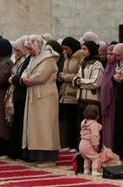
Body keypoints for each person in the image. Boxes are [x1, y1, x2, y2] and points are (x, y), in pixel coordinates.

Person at [21, 35, 61, 164]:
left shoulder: (48, 58)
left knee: (45, 126)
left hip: (45, 96)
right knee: (35, 127)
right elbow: (25, 70)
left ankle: (48, 156)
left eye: (30, 48)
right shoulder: (34, 57)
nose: (29, 51)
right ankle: (36, 155)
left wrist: (28, 79)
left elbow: (41, 76)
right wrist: (23, 78)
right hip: (34, 94)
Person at [73, 40, 104, 147]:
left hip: (92, 100)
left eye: (85, 49)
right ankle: (82, 148)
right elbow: (76, 78)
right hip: (81, 99)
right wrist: (77, 81)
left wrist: (80, 82)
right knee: (82, 127)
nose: (83, 51)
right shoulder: (83, 62)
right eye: (82, 49)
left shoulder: (97, 64)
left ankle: (94, 147)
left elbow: (96, 82)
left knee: (92, 128)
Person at [78, 105, 120, 175]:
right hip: (88, 144)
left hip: (81, 144)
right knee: (95, 158)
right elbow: (95, 135)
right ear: (97, 115)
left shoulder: (84, 122)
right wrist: (96, 145)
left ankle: (86, 170)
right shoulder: (94, 124)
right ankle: (94, 171)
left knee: (87, 158)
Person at [57, 36, 82, 151]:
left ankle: (76, 145)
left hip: (74, 93)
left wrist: (64, 77)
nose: (64, 51)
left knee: (75, 122)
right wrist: (62, 76)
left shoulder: (79, 57)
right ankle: (69, 144)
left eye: (66, 48)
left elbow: (78, 75)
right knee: (68, 121)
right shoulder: (67, 58)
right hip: (65, 93)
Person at [7, 36, 30, 160]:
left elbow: (19, 76)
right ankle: (14, 151)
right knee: (16, 124)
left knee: (21, 125)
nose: (16, 53)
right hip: (16, 94)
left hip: (22, 94)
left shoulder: (27, 60)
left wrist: (14, 79)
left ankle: (19, 152)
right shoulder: (20, 60)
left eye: (18, 50)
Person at [97, 44, 117, 150]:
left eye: (112, 54)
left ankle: (111, 148)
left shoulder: (117, 66)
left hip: (112, 101)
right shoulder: (107, 66)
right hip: (105, 101)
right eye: (108, 54)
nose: (109, 56)